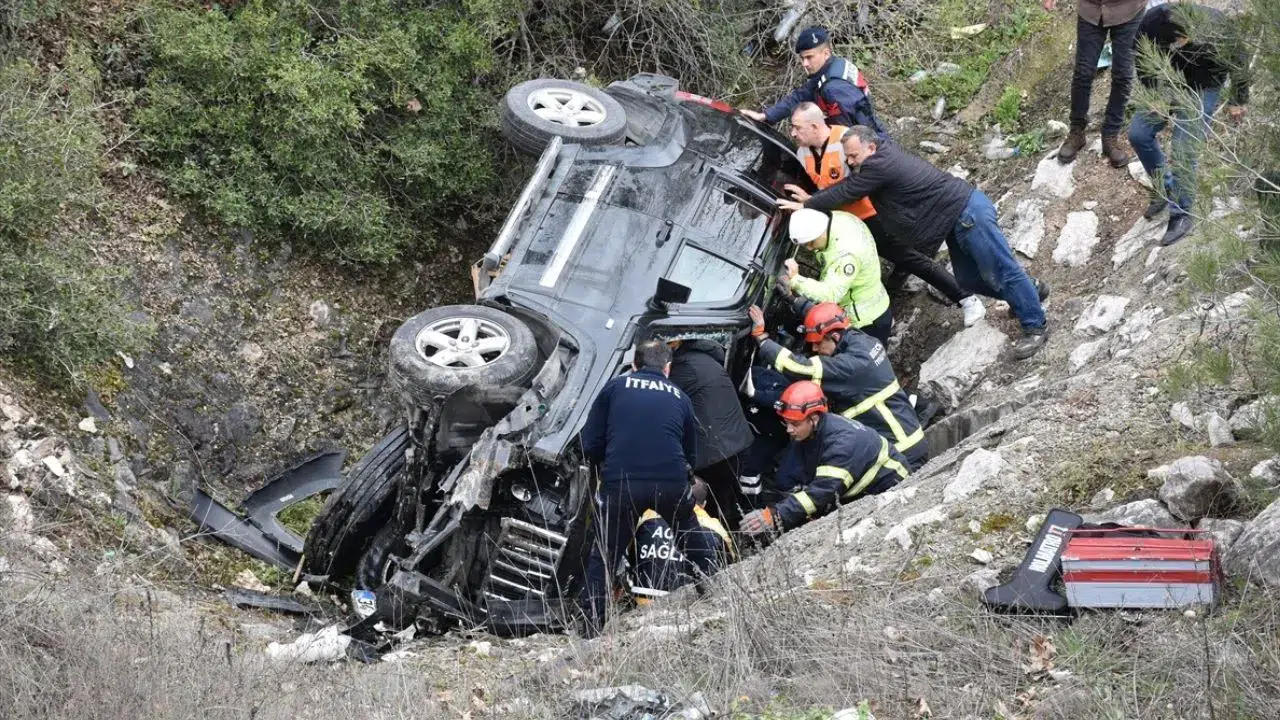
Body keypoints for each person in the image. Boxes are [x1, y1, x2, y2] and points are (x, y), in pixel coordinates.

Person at [780, 126, 1051, 360]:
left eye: (853, 156)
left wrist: (808, 203)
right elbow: (851, 186)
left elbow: (849, 190)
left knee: (1000, 270)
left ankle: (1035, 325)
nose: (850, 162)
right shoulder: (878, 158)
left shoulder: (879, 165)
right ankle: (1029, 292)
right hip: (954, 220)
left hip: (968, 213)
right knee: (968, 279)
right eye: (847, 156)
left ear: (871, 147)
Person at [787, 102, 985, 327]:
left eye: (797, 127)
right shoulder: (803, 153)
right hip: (843, 222)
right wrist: (809, 198)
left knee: (912, 260)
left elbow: (853, 187)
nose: (793, 132)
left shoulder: (847, 142)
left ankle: (966, 298)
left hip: (872, 215)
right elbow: (824, 187)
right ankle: (879, 311)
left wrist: (810, 203)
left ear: (814, 126)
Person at [578, 340, 718, 635]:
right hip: (670, 482)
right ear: (667, 369)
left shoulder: (615, 387)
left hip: (621, 482)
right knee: (691, 537)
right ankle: (716, 594)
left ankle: (591, 629)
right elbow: (691, 453)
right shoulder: (680, 397)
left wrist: (606, 462)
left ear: (634, 366)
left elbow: (589, 442)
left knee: (604, 554)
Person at [747, 302, 929, 471]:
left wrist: (762, 339)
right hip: (907, 442)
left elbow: (799, 367)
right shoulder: (860, 340)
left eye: (818, 343)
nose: (816, 349)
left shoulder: (852, 366)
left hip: (900, 451)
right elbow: (826, 318)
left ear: (834, 336)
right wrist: (794, 299)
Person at [1128, 2, 1250, 247]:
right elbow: (1142, 61)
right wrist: (1154, 96)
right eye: (1179, 40)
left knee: (1184, 146)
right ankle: (1166, 189)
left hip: (1204, 85)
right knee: (1138, 134)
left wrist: (1238, 99)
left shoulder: (1214, 24)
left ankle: (1182, 213)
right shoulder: (1151, 23)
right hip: (1168, 83)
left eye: (1186, 38)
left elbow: (1239, 59)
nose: (1183, 42)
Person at [738, 381, 908, 538]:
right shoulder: (814, 432)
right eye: (786, 423)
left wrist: (774, 515)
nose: (789, 429)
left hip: (891, 488)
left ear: (814, 418)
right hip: (861, 486)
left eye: (795, 424)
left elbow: (822, 493)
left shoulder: (841, 445)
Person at [1043, 0, 1145, 167]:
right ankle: (1077, 131)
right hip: (1091, 9)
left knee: (1123, 75)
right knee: (1083, 73)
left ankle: (1110, 136)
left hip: (1129, 9)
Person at [667, 338, 754, 529]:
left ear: (673, 345)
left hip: (715, 455)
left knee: (707, 510)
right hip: (735, 444)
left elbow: (660, 403)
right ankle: (729, 543)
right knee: (724, 503)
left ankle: (715, 549)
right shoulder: (705, 359)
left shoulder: (682, 369)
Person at [740, 26, 887, 134]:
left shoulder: (833, 88)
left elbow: (847, 133)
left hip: (866, 151)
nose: (805, 63)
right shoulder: (835, 66)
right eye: (803, 58)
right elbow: (800, 96)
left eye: (809, 57)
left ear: (826, 53)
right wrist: (766, 116)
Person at [783, 207, 893, 348]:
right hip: (875, 301)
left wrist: (796, 280)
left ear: (821, 231)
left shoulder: (845, 257)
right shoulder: (839, 218)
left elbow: (830, 295)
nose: (810, 249)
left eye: (811, 243)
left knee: (867, 362)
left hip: (866, 321)